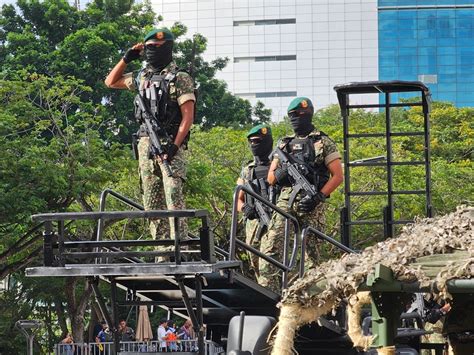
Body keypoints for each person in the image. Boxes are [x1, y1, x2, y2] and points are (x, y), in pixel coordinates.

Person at [104, 27, 196, 248]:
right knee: (151, 199)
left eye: (157, 47)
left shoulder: (180, 78)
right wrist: (126, 58)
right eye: (149, 48)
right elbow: (110, 81)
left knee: (173, 194)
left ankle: (180, 246)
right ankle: (162, 248)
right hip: (146, 143)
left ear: (168, 48)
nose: (153, 51)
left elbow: (188, 117)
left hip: (170, 142)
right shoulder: (141, 77)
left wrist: (174, 147)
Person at [262, 97, 343, 293]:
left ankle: (312, 296)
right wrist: (283, 172)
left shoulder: (323, 142)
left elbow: (338, 176)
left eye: (302, 115)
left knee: (311, 254)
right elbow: (271, 178)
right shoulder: (284, 144)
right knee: (272, 244)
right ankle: (267, 291)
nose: (298, 118)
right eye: (294, 115)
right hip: (286, 201)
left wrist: (318, 197)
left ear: (310, 115)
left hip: (312, 202)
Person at [236, 124, 275, 279]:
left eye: (257, 141)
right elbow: (238, 199)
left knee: (272, 264)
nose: (254, 145)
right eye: (251, 142)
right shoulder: (248, 170)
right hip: (253, 225)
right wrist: (245, 208)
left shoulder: (277, 166)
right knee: (256, 263)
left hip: (274, 222)